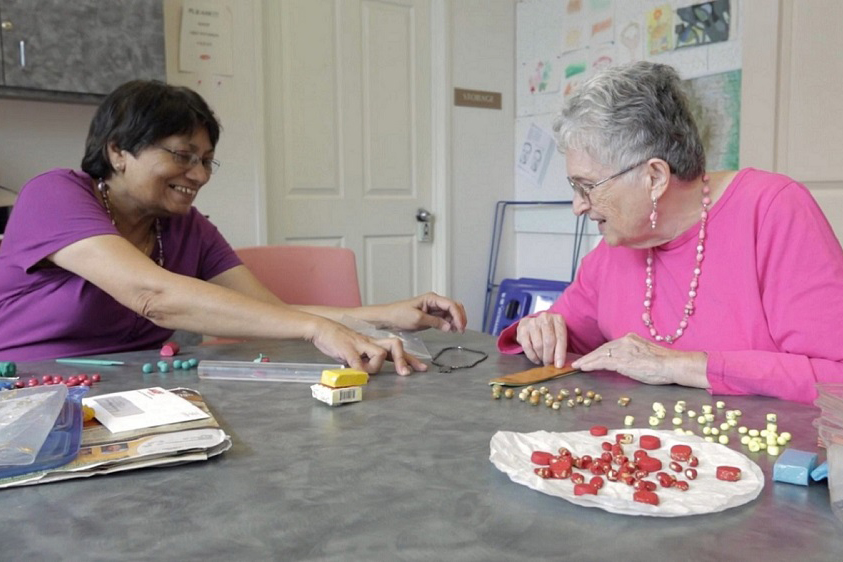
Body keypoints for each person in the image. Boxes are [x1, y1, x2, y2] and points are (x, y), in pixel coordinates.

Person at [0, 80, 466, 374]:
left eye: (206, 161)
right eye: (183, 156)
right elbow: (154, 297)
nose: (200, 176)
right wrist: (317, 329)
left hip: (141, 393)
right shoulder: (55, 195)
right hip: (31, 390)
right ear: (119, 151)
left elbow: (267, 312)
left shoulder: (186, 228)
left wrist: (385, 314)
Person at [497, 61, 843, 404]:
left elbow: (835, 377)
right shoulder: (617, 246)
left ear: (655, 178)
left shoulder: (772, 210)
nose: (578, 205)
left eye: (588, 187)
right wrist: (539, 331)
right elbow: (563, 336)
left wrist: (682, 365)